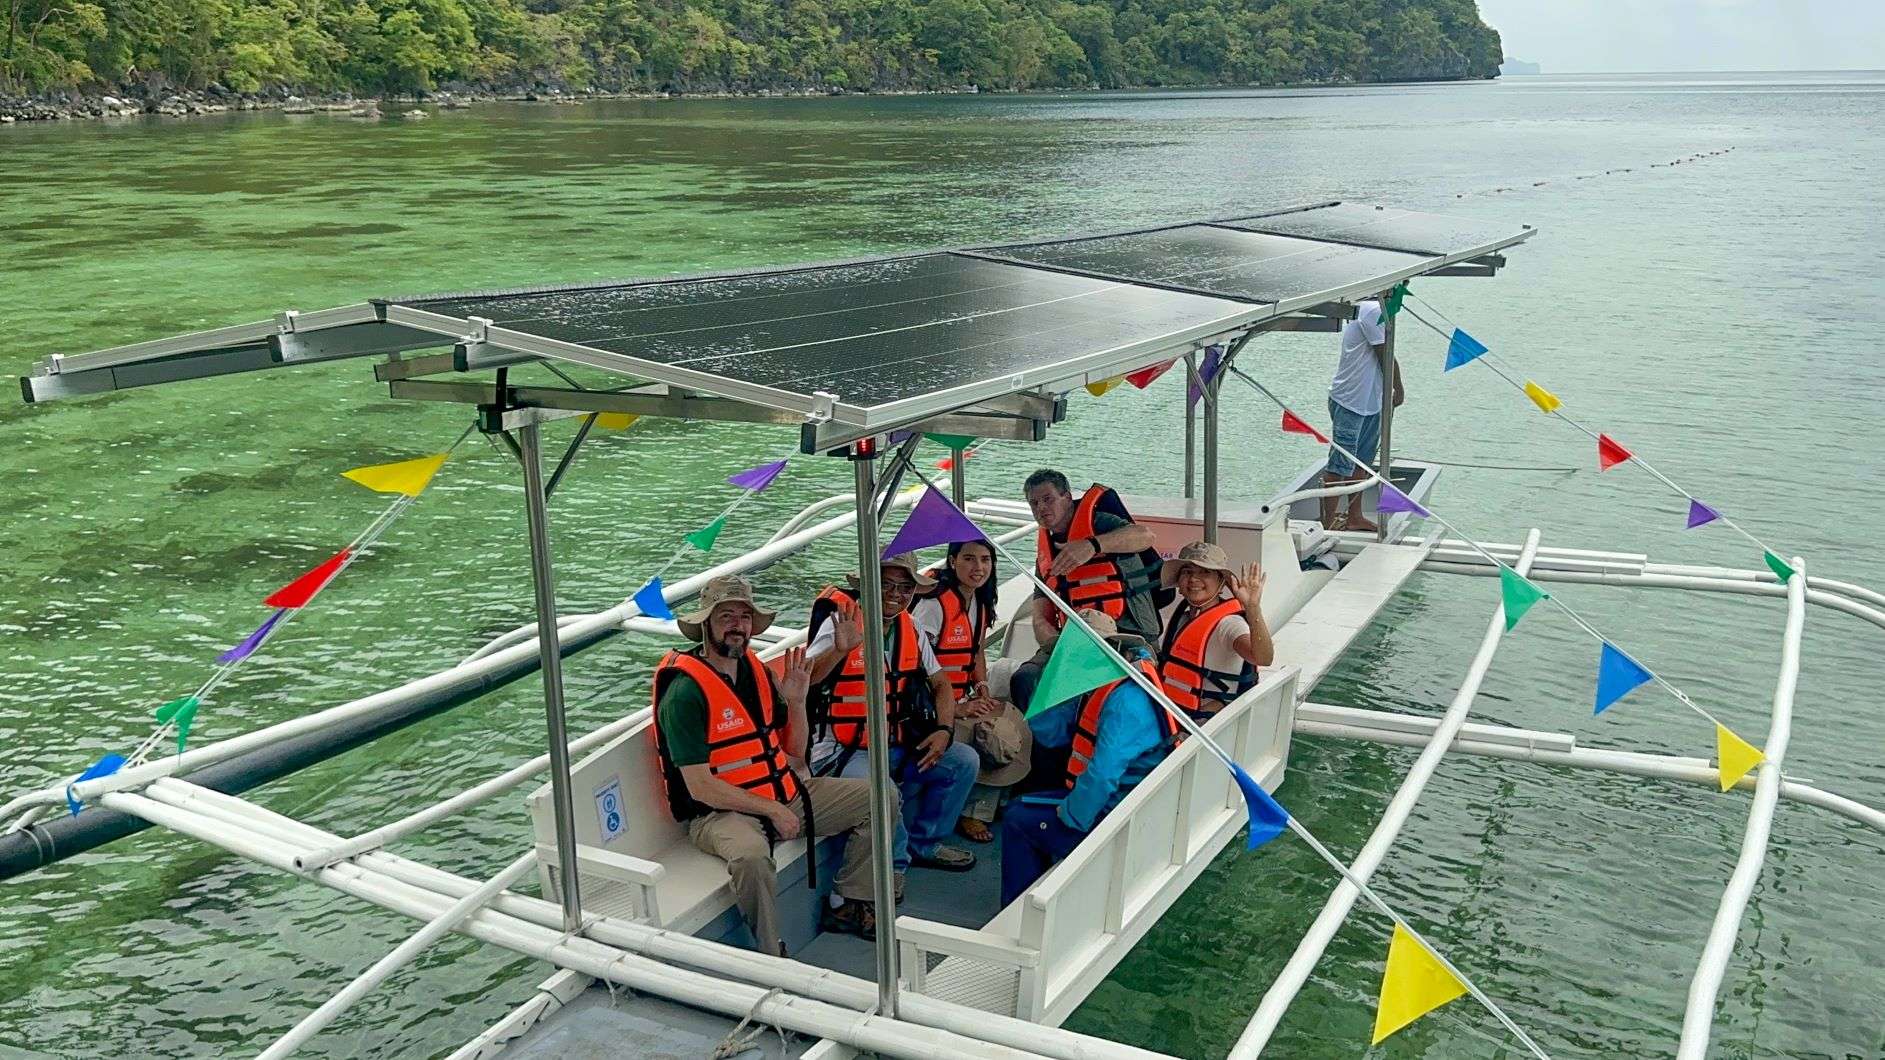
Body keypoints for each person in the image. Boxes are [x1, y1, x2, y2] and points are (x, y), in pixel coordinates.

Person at [650, 575, 892, 954]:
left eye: (744, 617)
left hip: (782, 790)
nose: (737, 625)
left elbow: (794, 753)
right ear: (706, 625)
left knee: (880, 798)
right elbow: (700, 787)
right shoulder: (684, 693)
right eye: (726, 615)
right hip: (721, 812)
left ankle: (849, 902)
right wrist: (772, 810)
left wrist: (797, 703)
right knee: (751, 859)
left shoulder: (756, 671)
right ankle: (770, 951)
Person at [806, 552, 981, 876]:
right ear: (869, 585)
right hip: (846, 749)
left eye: (905, 588)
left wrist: (944, 730)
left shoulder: (910, 628)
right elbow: (807, 679)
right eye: (886, 585)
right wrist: (840, 650)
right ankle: (894, 869)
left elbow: (941, 684)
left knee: (963, 761)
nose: (895, 594)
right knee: (883, 793)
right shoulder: (840, 623)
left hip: (897, 741)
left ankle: (926, 843)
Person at [1000, 610, 1180, 905]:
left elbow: (1103, 775)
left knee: (1019, 818)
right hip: (1115, 800)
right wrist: (1058, 678)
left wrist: (1070, 817)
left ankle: (1020, 914)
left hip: (1122, 812)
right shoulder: (1098, 684)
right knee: (1026, 804)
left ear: (1110, 648)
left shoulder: (1125, 700)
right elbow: (1049, 733)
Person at [909, 539, 1033, 844]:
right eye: (969, 559)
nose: (978, 568)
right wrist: (957, 710)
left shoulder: (977, 600)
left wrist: (981, 688)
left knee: (1015, 724)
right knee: (994, 736)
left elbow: (975, 649)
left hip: (962, 695)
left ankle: (981, 807)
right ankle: (972, 812)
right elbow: (913, 667)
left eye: (985, 560)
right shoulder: (933, 605)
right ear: (952, 562)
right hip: (928, 706)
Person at [1010, 470, 1165, 712]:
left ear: (1067, 497)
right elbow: (1040, 617)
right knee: (1025, 680)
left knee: (1122, 694)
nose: (1040, 508)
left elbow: (1145, 536)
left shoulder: (1100, 523)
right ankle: (1051, 745)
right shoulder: (1045, 551)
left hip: (1130, 636)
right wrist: (1060, 650)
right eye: (1034, 503)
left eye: (1047, 499)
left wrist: (1092, 546)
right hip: (1078, 643)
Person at [1155, 541, 1273, 721]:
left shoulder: (1229, 624)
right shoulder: (1183, 618)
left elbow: (1263, 658)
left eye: (1205, 572)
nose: (1194, 579)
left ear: (1221, 582)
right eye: (1187, 572)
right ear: (1179, 581)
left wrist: (1253, 607)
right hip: (1174, 715)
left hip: (1207, 725)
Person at [1322, 292, 1405, 533]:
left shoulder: (1381, 311)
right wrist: (1398, 387)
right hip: (1350, 400)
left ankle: (1354, 516)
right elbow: (1385, 354)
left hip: (1371, 400)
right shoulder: (1371, 309)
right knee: (1341, 463)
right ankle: (1326, 522)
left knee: (1364, 461)